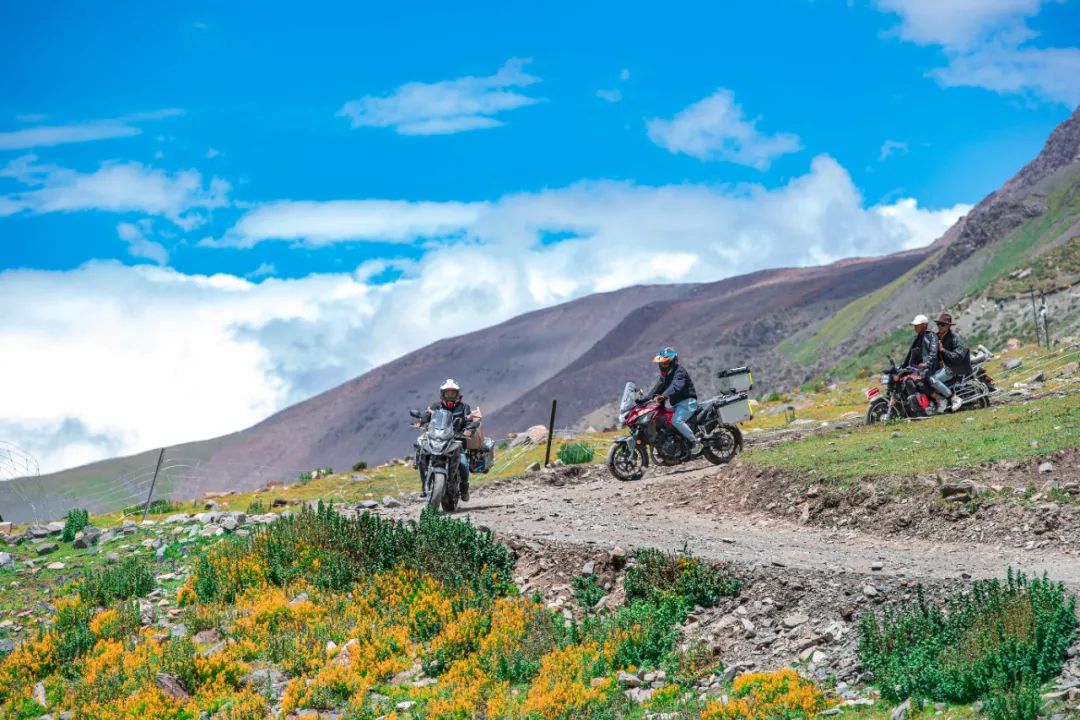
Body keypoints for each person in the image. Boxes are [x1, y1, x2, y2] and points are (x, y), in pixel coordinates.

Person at [415, 379, 478, 501]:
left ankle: (464, 488)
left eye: (452, 393)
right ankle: (424, 486)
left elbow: (469, 421)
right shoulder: (435, 406)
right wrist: (420, 421)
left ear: (457, 394)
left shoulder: (464, 407)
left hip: (456, 442)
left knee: (464, 464)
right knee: (423, 455)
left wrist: (469, 429)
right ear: (442, 394)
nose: (450, 396)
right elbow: (426, 416)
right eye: (447, 393)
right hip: (437, 439)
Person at [646, 347, 701, 458]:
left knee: (677, 420)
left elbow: (676, 386)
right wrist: (643, 399)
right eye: (661, 363)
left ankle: (695, 442)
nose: (662, 365)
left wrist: (664, 396)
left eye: (665, 362)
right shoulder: (665, 377)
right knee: (663, 419)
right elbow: (656, 388)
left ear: (672, 361)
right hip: (677, 405)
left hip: (688, 403)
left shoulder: (679, 371)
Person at [931, 312, 970, 413]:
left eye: (942, 324)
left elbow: (957, 357)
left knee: (932, 380)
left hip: (952, 368)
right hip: (941, 368)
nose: (940, 326)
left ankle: (954, 399)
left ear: (948, 326)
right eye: (938, 324)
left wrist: (943, 350)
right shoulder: (937, 337)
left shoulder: (954, 339)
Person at [902, 314, 940, 408]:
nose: (915, 327)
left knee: (920, 382)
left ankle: (939, 399)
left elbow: (933, 353)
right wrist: (902, 367)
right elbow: (910, 355)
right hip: (920, 368)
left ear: (924, 325)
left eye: (917, 325)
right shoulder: (916, 339)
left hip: (931, 367)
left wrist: (927, 363)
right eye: (914, 325)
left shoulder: (931, 336)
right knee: (907, 379)